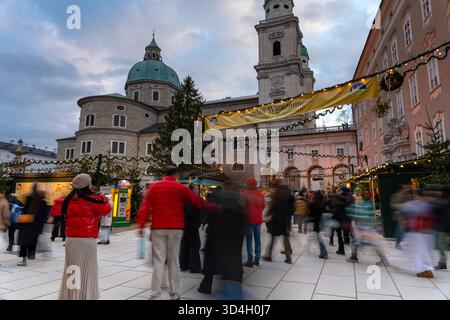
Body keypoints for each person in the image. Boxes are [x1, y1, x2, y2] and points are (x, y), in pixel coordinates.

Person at [137, 166, 217, 300]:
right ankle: (175, 294)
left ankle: (155, 294)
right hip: (175, 229)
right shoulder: (181, 188)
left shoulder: (155, 187)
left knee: (159, 261)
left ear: (165, 173)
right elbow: (196, 201)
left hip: (158, 229)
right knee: (174, 261)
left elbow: (145, 207)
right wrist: (213, 207)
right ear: (176, 174)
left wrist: (141, 225)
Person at [59, 174, 111, 300]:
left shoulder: (68, 199)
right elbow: (106, 210)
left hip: (71, 240)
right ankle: (86, 296)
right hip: (87, 240)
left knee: (73, 268)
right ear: (87, 184)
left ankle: (72, 296)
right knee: (87, 269)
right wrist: (103, 198)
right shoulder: (93, 199)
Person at [198, 180, 245, 299]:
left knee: (212, 266)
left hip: (216, 239)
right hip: (231, 243)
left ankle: (206, 286)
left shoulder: (219, 203)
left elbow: (210, 216)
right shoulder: (239, 203)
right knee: (229, 271)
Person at [346, 193, 389, 266]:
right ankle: (384, 260)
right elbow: (372, 217)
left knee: (354, 242)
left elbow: (354, 217)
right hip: (369, 229)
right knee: (375, 244)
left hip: (362, 230)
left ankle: (354, 257)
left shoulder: (359, 207)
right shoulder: (370, 205)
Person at [400, 191, 436, 278]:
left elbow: (410, 209)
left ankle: (425, 271)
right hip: (425, 231)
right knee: (424, 251)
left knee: (421, 251)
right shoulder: (427, 204)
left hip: (420, 231)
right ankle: (427, 270)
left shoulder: (423, 204)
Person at [262, 180, 295, 265]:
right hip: (285, 219)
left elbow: (273, 206)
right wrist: (288, 215)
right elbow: (292, 208)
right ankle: (289, 258)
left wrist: (267, 215)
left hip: (276, 219)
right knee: (285, 238)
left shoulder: (276, 194)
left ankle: (268, 255)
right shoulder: (289, 195)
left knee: (273, 238)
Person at [17, 183, 49, 266]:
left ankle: (24, 260)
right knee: (33, 240)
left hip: (27, 224)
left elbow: (25, 210)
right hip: (37, 226)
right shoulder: (44, 203)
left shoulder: (30, 198)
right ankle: (31, 254)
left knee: (23, 242)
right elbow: (44, 217)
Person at [179, 184, 204, 273]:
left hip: (186, 225)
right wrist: (196, 222)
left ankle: (184, 265)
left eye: (198, 189)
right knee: (195, 245)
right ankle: (194, 267)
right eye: (196, 189)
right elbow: (189, 212)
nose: (197, 191)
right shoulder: (191, 199)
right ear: (191, 190)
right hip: (191, 226)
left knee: (185, 245)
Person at [242, 178, 265, 268]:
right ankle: (257, 259)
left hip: (248, 220)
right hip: (258, 220)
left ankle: (250, 260)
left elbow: (242, 206)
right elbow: (263, 206)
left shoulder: (245, 193)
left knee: (249, 240)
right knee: (257, 239)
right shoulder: (261, 194)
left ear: (248, 184)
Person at [308, 191, 328, 259]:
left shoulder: (313, 203)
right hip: (322, 220)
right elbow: (325, 211)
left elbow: (310, 213)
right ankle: (323, 252)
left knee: (319, 237)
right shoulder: (323, 203)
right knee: (319, 237)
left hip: (316, 221)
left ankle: (324, 252)